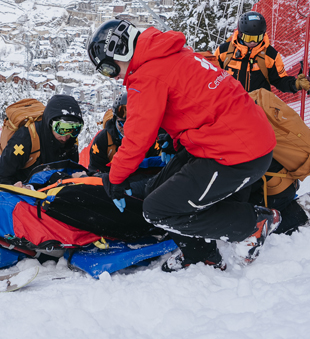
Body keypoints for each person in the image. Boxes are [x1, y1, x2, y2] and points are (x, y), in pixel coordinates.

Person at [87, 19, 280, 272]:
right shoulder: (170, 53)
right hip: (230, 140)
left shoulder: (146, 75)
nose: (114, 77)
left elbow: (137, 138)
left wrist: (115, 179)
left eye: (109, 70)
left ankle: (251, 225)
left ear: (119, 54)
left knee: (157, 210)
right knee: (158, 189)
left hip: (237, 154)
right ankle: (200, 253)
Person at [0, 94, 84, 188]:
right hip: (24, 192)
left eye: (75, 129)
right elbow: (2, 175)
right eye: (61, 129)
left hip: (49, 192)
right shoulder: (26, 138)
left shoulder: (71, 141)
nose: (65, 137)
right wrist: (15, 189)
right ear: (49, 123)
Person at [213, 11, 310, 94]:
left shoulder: (270, 55)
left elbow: (280, 80)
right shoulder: (224, 51)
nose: (253, 42)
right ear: (241, 34)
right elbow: (211, 76)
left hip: (258, 108)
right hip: (229, 106)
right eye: (249, 38)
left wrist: (295, 84)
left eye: (257, 38)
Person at [87, 93, 169, 176]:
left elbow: (155, 171)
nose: (126, 129)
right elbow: (94, 171)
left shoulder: (151, 139)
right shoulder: (103, 140)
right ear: (115, 120)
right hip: (110, 183)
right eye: (122, 123)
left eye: (133, 124)